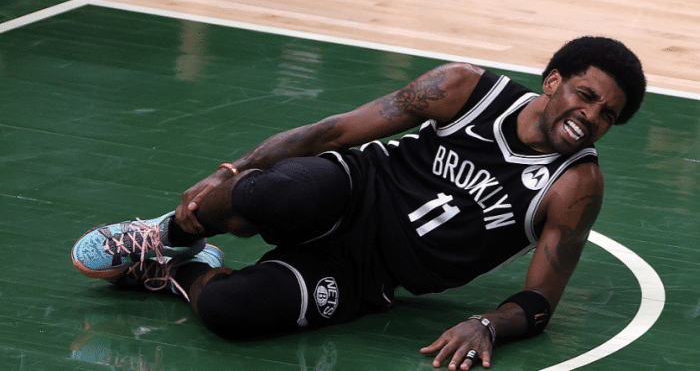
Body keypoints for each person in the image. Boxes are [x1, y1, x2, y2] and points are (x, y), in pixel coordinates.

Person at [72, 36, 646, 370]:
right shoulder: (467, 89)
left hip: (367, 272)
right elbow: (334, 131)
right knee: (269, 190)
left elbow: (541, 300)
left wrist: (488, 326)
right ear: (553, 80)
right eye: (585, 95)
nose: (591, 117)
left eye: (608, 115)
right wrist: (231, 171)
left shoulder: (575, 187)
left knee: (231, 312)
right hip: (353, 188)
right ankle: (166, 235)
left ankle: (184, 270)